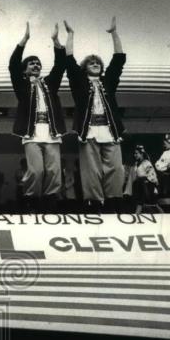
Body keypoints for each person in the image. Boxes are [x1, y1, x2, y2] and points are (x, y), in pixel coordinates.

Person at [66, 17, 126, 211]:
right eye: (91, 63)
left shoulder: (108, 82)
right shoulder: (79, 82)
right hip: (89, 130)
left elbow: (118, 60)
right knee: (91, 170)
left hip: (110, 130)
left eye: (98, 62)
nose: (95, 64)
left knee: (116, 168)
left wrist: (114, 33)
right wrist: (71, 35)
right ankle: (93, 202)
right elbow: (69, 61)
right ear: (85, 68)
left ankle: (114, 201)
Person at [9, 21, 70, 213]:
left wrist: (56, 41)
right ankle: (31, 202)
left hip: (51, 133)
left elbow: (60, 66)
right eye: (31, 63)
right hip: (31, 133)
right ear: (24, 69)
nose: (35, 65)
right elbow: (12, 65)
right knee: (36, 171)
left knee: (54, 171)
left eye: (37, 63)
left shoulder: (50, 84)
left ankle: (50, 204)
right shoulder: (22, 85)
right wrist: (24, 41)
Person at [126, 144, 159, 212]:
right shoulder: (136, 164)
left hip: (147, 186)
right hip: (139, 186)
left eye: (137, 153)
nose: (135, 155)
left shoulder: (147, 163)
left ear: (141, 154)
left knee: (144, 204)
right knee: (140, 204)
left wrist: (148, 184)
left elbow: (152, 176)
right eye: (134, 153)